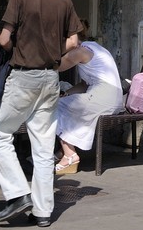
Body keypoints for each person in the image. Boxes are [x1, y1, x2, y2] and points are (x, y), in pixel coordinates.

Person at [0, 0, 83, 229]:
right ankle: (43, 211)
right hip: (50, 77)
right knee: (43, 147)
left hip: (24, 76)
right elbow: (74, 42)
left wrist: (17, 41)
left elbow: (4, 39)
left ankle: (18, 193)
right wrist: (53, 52)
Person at [52, 36, 123, 176]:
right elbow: (85, 84)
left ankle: (69, 155)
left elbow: (55, 67)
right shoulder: (93, 47)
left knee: (52, 106)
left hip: (103, 97)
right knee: (64, 103)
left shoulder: (81, 52)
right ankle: (64, 150)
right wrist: (66, 93)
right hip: (109, 97)